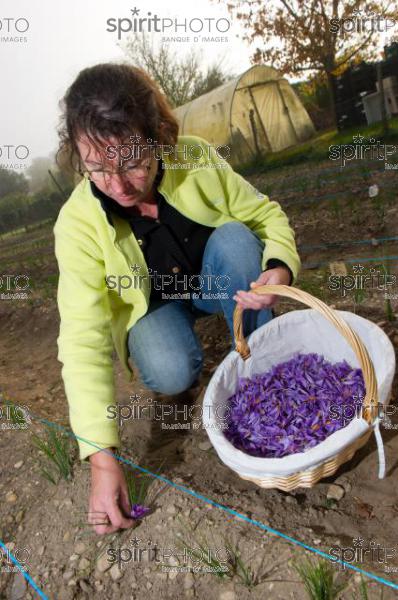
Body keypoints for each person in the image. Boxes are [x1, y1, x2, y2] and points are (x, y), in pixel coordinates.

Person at [54, 62, 301, 535]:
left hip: (215, 280)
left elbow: (265, 215)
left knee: (234, 237)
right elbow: (81, 339)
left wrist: (280, 266)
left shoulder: (197, 159)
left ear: (158, 136)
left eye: (133, 164)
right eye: (98, 169)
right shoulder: (77, 224)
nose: (120, 186)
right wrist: (102, 460)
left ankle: (257, 367)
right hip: (155, 307)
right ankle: (186, 353)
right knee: (170, 371)